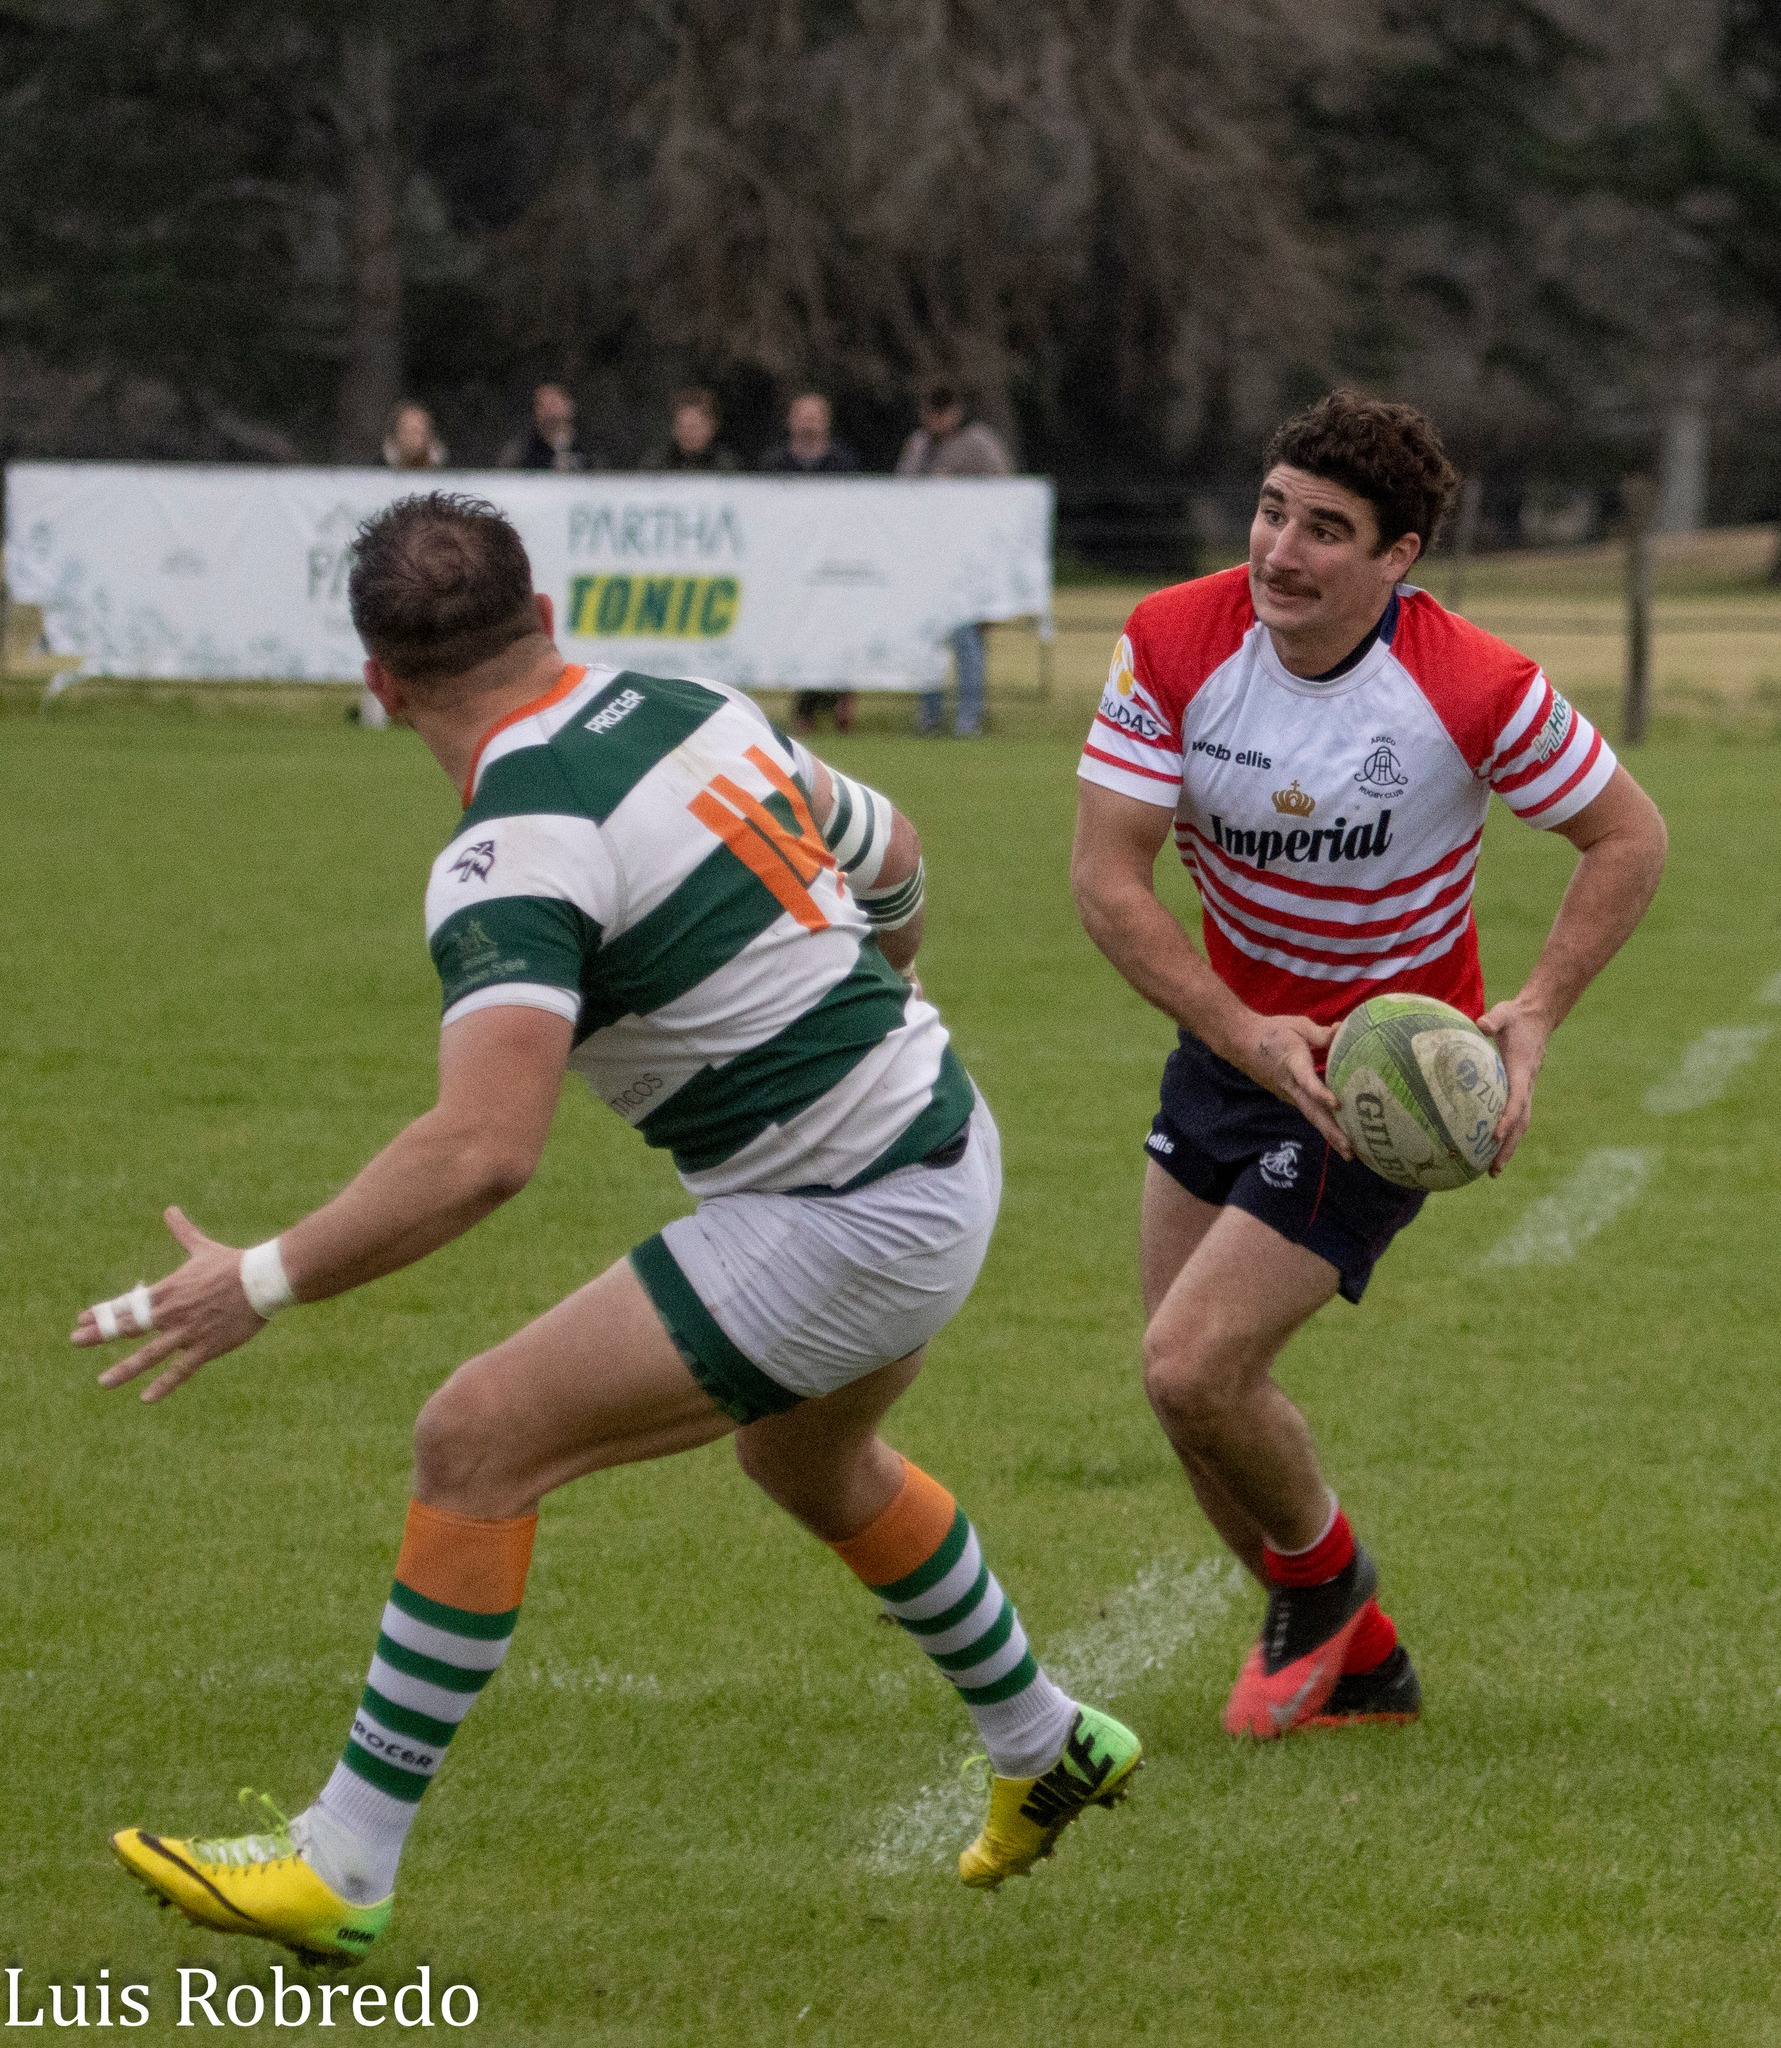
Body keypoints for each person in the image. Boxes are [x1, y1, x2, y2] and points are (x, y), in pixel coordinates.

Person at [81, 492, 1140, 1964]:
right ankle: (1044, 1742)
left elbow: (481, 1153)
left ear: (379, 686)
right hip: (941, 1136)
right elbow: (893, 851)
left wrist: (250, 1283)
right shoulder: (689, 696)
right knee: (807, 1459)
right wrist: (871, 989)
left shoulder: (509, 848)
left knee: (477, 1438)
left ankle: (342, 1861)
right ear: (549, 620)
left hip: (845, 1214)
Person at [1070, 390, 1666, 1739]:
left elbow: (1628, 837)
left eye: (1325, 530)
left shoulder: (1472, 685)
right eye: (1271, 510)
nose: (1280, 551)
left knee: (1189, 1367)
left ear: (1398, 557)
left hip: (1380, 1088)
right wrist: (1239, 1030)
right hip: (1231, 1050)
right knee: (1192, 1401)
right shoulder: (1172, 637)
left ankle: (1326, 1594)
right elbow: (1108, 881)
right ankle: (1362, 1656)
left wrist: (1536, 1013)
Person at [895, 383, 1012, 737]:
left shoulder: (978, 442)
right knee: (927, 636)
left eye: (941, 410)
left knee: (966, 637)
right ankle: (928, 716)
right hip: (927, 558)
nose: (934, 419)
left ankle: (969, 719)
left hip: (967, 560)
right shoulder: (919, 445)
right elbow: (900, 491)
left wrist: (957, 490)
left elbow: (1005, 489)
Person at [760, 392, 861, 735]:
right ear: (790, 420)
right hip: (789, 564)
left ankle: (834, 698)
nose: (808, 422)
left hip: (832, 563)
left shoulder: (844, 463)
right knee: (801, 632)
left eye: (815, 415)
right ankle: (813, 704)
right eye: (802, 415)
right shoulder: (774, 463)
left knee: (832, 629)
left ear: (826, 421)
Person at [499, 382, 590, 472]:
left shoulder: (588, 444)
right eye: (542, 405)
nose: (549, 411)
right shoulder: (522, 450)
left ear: (569, 406)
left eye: (553, 403)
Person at [645, 386, 739, 472]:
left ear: (712, 427)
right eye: (683, 426)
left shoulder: (726, 466)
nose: (689, 433)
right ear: (674, 428)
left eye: (695, 427)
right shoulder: (656, 464)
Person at [382, 401, 447, 472]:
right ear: (395, 435)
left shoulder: (449, 474)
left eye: (417, 431)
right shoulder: (376, 472)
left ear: (429, 435)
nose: (412, 438)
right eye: (406, 432)